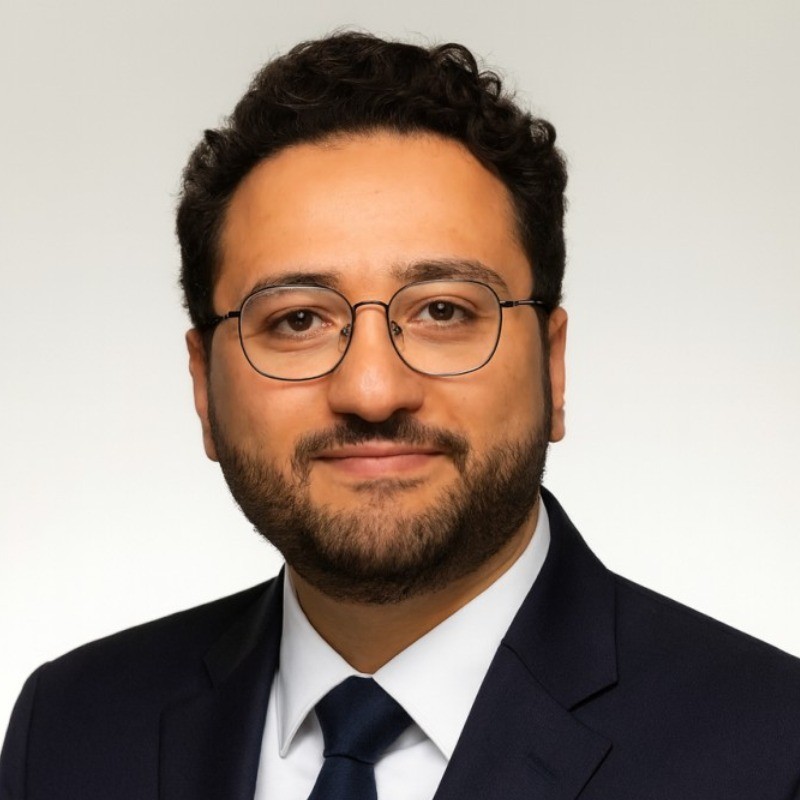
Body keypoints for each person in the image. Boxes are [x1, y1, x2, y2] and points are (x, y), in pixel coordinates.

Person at [2, 30, 799, 800]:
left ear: (553, 368)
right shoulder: (69, 729)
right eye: (297, 320)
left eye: (444, 311)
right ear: (204, 389)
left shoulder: (774, 750)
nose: (373, 391)